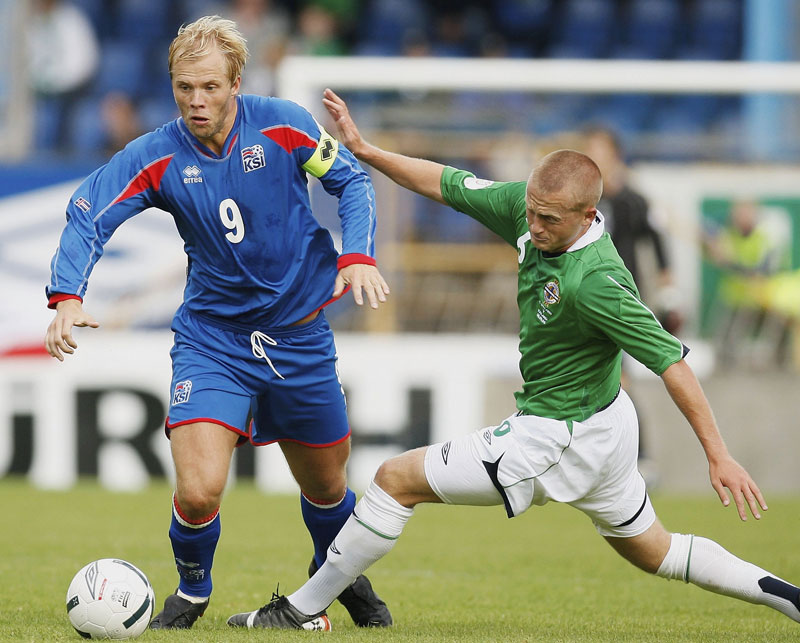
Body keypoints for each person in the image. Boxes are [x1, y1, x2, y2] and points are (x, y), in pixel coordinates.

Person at [225, 89, 800, 630]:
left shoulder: (596, 282)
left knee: (393, 479)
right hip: (603, 424)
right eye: (533, 210)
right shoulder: (532, 212)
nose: (537, 225)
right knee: (657, 551)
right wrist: (368, 151)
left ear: (588, 214)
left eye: (551, 219)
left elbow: (673, 363)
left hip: (556, 437)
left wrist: (717, 455)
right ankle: (791, 599)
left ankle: (301, 610)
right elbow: (446, 183)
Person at [44, 18, 393, 630]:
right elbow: (88, 211)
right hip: (214, 340)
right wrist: (67, 294)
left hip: (298, 335)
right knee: (200, 488)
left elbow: (352, 182)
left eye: (209, 86)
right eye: (184, 88)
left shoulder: (284, 122)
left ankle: (337, 578)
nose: (196, 101)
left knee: (327, 487)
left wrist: (357, 254)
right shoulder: (156, 154)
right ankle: (193, 590)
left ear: (236, 80)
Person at [582, 126, 682, 478]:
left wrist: (668, 290)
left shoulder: (633, 201)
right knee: (594, 382)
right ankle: (618, 460)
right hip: (580, 303)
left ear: (615, 155)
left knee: (618, 384)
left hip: (618, 302)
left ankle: (640, 458)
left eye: (600, 149)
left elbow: (657, 242)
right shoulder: (579, 199)